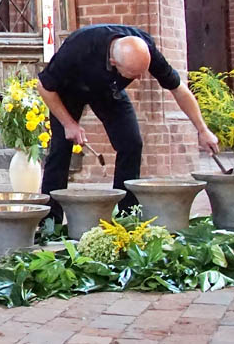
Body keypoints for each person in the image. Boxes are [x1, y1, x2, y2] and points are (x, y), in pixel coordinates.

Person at [38, 24, 220, 220]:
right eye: (134, 75)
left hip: (109, 91)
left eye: (142, 72)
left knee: (132, 144)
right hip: (68, 91)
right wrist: (69, 124)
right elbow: (44, 87)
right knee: (60, 149)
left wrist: (202, 129)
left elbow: (178, 89)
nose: (140, 78)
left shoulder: (144, 47)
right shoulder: (78, 47)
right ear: (113, 61)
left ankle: (126, 215)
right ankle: (50, 222)